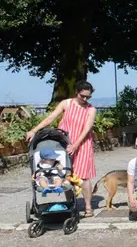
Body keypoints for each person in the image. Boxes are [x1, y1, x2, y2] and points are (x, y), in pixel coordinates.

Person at [26, 80, 98, 217]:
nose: (85, 99)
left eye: (88, 97)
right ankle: (70, 203)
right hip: (63, 142)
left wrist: (76, 145)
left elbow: (87, 128)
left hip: (82, 144)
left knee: (84, 176)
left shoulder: (91, 109)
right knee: (65, 173)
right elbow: (51, 118)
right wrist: (33, 130)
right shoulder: (66, 103)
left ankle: (88, 207)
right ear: (77, 92)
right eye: (82, 96)